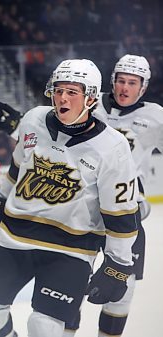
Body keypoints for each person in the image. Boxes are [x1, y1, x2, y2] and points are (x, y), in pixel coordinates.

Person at [0, 59, 139, 337]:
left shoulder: (113, 146)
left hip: (71, 248)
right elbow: (17, 169)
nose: (61, 98)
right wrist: (0, 200)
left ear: (91, 98)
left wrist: (118, 264)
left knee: (44, 327)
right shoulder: (33, 119)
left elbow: (121, 212)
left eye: (72, 92)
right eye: (58, 90)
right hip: (15, 234)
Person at [63, 54, 163, 337]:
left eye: (132, 82)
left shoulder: (156, 117)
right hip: (81, 208)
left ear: (143, 88)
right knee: (70, 281)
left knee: (123, 286)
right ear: (112, 81)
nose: (124, 88)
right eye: (120, 80)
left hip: (124, 211)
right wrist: (15, 127)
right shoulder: (89, 102)